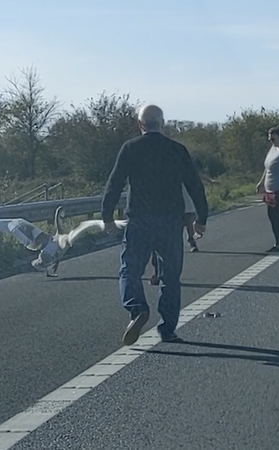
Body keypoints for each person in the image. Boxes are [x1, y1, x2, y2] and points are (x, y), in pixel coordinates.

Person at [102, 104, 208, 345]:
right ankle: (167, 329)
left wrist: (107, 216)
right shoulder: (177, 150)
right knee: (171, 276)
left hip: (140, 220)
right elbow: (194, 185)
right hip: (170, 222)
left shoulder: (130, 148)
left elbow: (115, 183)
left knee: (130, 269)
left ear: (141, 124)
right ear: (162, 123)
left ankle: (137, 308)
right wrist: (201, 219)